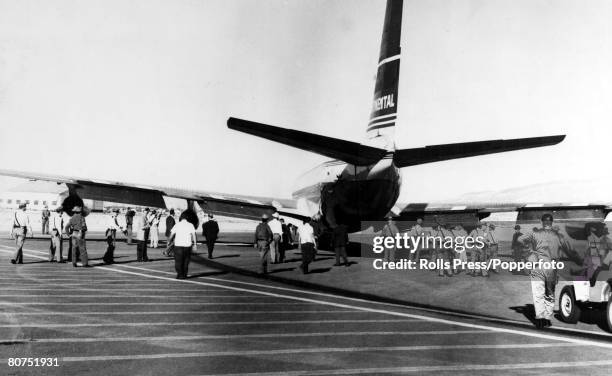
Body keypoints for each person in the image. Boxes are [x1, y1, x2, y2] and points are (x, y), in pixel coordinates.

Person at [519, 213, 572, 329]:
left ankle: (540, 319)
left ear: (542, 222)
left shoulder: (535, 233)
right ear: (551, 223)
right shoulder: (559, 236)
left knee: (538, 293)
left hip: (538, 266)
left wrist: (530, 250)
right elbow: (570, 251)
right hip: (551, 268)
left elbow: (520, 239)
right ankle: (547, 318)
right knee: (550, 293)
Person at [168, 211, 198, 279]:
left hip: (178, 245)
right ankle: (184, 274)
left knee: (178, 261)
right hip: (187, 245)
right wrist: (195, 244)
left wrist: (169, 241)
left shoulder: (177, 225)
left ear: (181, 218)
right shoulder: (190, 225)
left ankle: (179, 274)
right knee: (186, 261)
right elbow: (194, 235)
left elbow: (171, 235)